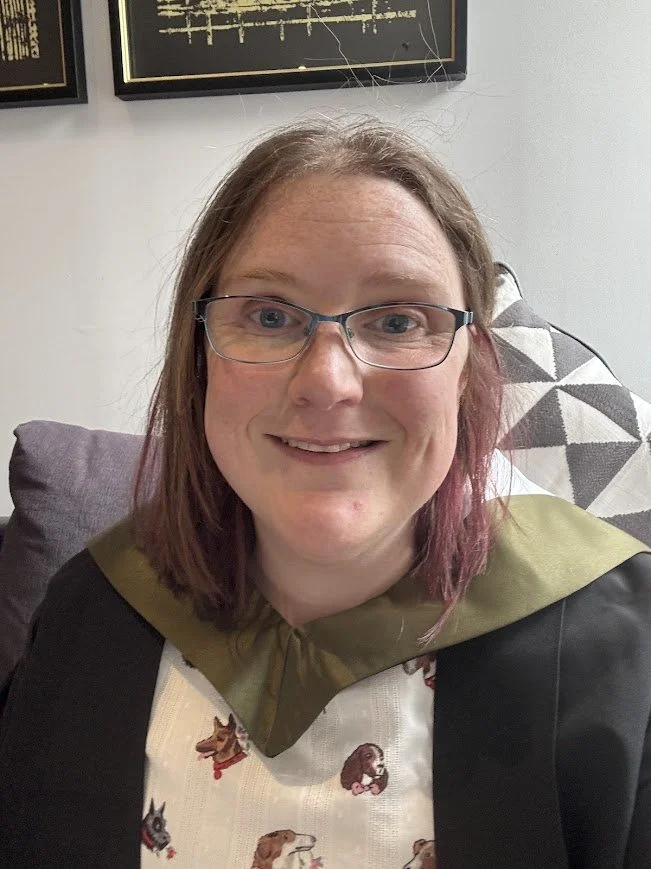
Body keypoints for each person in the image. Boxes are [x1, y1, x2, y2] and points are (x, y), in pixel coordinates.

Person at [0, 120, 649, 869]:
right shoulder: (92, 613)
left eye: (399, 319)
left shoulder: (620, 647)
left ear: (467, 369)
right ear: (200, 353)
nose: (328, 381)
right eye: (270, 315)